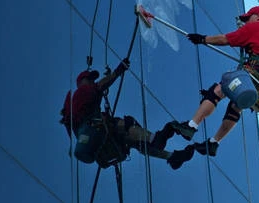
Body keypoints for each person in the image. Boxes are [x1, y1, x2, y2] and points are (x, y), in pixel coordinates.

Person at [154, 6, 259, 158]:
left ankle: (191, 126)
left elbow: (225, 39)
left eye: (248, 18)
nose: (246, 22)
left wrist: (202, 39)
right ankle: (214, 142)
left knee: (222, 86)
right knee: (237, 104)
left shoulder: (257, 27)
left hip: (257, 74)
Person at [60, 58, 193, 169]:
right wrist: (118, 71)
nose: (92, 81)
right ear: (82, 81)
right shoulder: (83, 91)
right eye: (89, 78)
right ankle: (165, 132)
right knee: (127, 125)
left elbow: (95, 94)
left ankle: (171, 157)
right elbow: (99, 86)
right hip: (98, 130)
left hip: (96, 142)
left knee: (136, 143)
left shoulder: (73, 109)